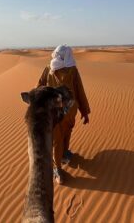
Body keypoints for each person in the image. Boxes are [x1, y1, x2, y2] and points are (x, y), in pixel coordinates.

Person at [37, 44, 90, 184]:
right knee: (59, 138)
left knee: (61, 136)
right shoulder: (71, 70)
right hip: (63, 113)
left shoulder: (49, 69)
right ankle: (58, 168)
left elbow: (39, 88)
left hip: (57, 113)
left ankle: (64, 156)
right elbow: (79, 91)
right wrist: (84, 112)